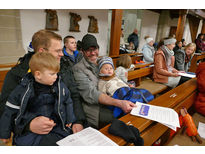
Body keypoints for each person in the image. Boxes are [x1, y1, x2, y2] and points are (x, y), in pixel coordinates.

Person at [0, 30, 86, 144]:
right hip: (30, 134)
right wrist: (29, 124)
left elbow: (73, 95)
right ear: (42, 51)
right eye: (58, 51)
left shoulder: (63, 67)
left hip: (62, 127)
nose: (62, 54)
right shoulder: (17, 75)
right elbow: (5, 110)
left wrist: (78, 121)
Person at [72, 34, 136, 129]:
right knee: (123, 121)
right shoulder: (78, 69)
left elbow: (114, 76)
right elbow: (91, 94)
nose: (93, 53)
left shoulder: (103, 61)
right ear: (82, 51)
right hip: (95, 108)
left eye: (95, 49)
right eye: (88, 50)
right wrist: (119, 103)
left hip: (113, 98)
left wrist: (124, 85)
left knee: (135, 108)